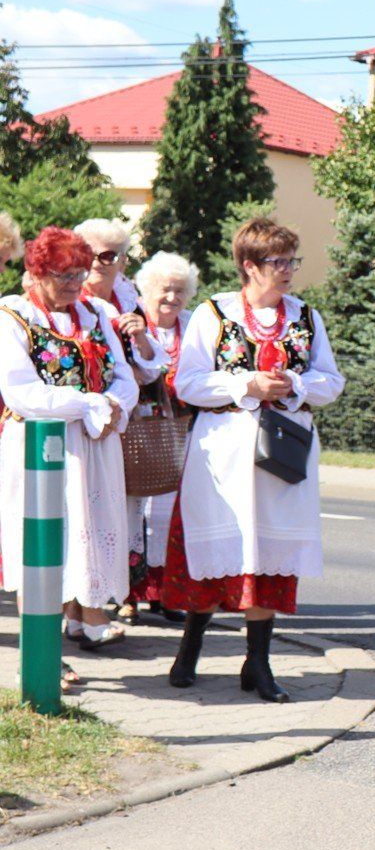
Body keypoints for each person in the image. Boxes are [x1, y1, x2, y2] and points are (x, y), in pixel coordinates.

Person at [163, 219, 343, 700]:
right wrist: (246, 384)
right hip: (224, 452)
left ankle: (257, 664)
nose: (287, 271)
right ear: (249, 266)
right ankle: (190, 646)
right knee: (218, 552)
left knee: (268, 558)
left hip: (283, 452)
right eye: (277, 262)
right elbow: (188, 383)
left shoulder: (306, 316)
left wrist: (296, 385)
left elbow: (331, 380)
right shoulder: (214, 313)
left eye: (291, 260)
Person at [0, 228, 137, 661]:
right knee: (41, 548)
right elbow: (22, 392)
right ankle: (41, 659)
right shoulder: (13, 316)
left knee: (87, 539)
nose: (75, 283)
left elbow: (124, 376)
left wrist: (115, 405)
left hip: (95, 448)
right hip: (41, 447)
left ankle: (84, 622)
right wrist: (91, 405)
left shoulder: (96, 312)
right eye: (63, 275)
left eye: (80, 273)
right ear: (36, 272)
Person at [124, 252, 200, 621]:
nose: (171, 298)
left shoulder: (192, 323)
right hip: (139, 427)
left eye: (179, 291)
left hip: (181, 428)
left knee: (172, 511)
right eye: (165, 290)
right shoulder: (134, 321)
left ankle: (166, 593)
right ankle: (129, 595)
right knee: (136, 507)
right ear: (149, 289)